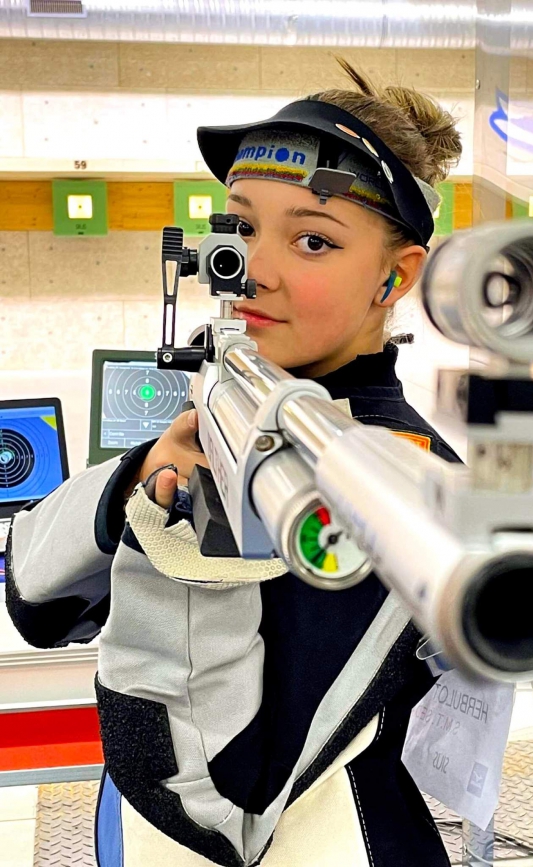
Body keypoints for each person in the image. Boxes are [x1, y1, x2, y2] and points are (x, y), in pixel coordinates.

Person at [6, 61, 462, 867]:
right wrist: (137, 479)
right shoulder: (237, 400)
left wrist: (182, 547)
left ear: (396, 275)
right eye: (242, 227)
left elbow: (220, 799)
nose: (255, 268)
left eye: (313, 239)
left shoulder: (397, 479)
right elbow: (38, 602)